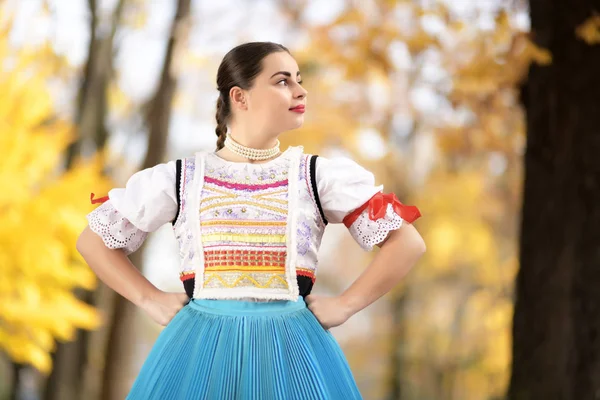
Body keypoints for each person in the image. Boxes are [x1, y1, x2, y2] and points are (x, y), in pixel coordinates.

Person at [77, 41, 426, 400]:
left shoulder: (317, 177)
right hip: (199, 353)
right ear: (240, 97)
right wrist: (148, 298)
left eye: (299, 79)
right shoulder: (181, 179)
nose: (300, 90)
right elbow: (93, 240)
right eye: (282, 81)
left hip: (293, 356)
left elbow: (407, 243)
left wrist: (346, 304)